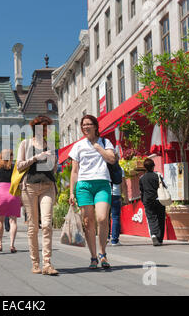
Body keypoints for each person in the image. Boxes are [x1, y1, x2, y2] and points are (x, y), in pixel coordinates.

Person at [68, 115, 116, 269]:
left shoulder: (105, 142)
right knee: (88, 222)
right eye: (83, 125)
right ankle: (94, 257)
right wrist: (71, 192)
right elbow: (74, 171)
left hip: (102, 183)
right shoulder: (77, 146)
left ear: (95, 126)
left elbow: (112, 159)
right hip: (84, 186)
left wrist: (98, 148)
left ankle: (103, 253)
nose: (86, 127)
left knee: (102, 218)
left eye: (89, 124)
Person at [17, 115, 59, 275]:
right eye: (43, 127)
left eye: (48, 127)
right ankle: (35, 263)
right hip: (29, 187)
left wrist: (51, 160)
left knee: (47, 224)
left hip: (48, 185)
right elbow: (19, 166)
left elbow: (54, 168)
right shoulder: (26, 144)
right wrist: (36, 158)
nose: (46, 130)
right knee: (33, 226)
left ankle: (47, 264)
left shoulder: (50, 145)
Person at [0, 149, 21, 253]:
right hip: (13, 194)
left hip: (1, 194)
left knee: (0, 220)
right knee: (13, 221)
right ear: (11, 156)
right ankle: (12, 245)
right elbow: (18, 182)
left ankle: (0, 244)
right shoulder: (15, 167)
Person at [139, 158, 166, 246]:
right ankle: (160, 239)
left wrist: (143, 200)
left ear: (144, 167)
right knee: (161, 218)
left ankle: (154, 234)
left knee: (151, 218)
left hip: (148, 200)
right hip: (159, 199)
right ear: (153, 166)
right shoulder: (157, 176)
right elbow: (164, 186)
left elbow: (141, 191)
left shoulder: (142, 178)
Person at [110, 154, 127, 246]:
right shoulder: (120, 169)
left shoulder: (106, 168)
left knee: (105, 217)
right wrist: (125, 196)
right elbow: (123, 184)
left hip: (105, 193)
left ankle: (106, 237)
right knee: (115, 217)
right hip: (116, 194)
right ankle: (115, 240)